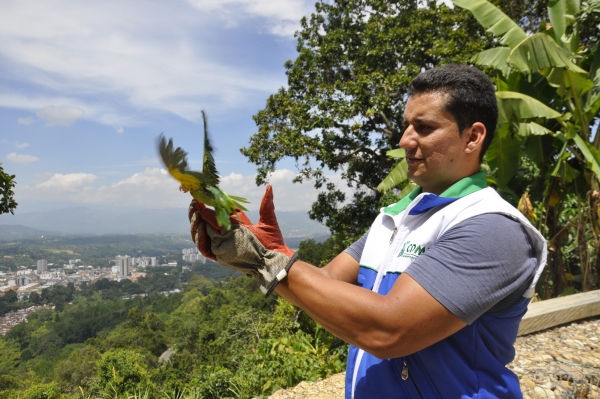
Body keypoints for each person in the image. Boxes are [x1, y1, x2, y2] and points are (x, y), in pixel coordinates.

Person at [188, 63, 547, 399]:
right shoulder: (394, 218)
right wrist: (263, 254)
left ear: (473, 137)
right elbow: (326, 282)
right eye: (407, 126)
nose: (406, 140)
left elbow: (388, 328)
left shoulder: (492, 228)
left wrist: (266, 261)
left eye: (424, 128)